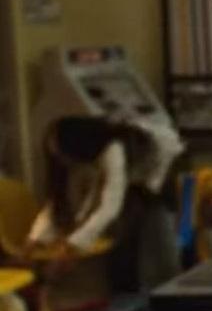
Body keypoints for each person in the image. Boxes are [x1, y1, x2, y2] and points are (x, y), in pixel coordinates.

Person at [27, 113, 183, 293]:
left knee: (155, 241)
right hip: (138, 178)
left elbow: (109, 206)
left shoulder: (114, 149)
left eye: (62, 154)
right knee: (124, 237)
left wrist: (72, 245)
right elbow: (71, 202)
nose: (62, 160)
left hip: (158, 179)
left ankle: (163, 293)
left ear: (76, 146)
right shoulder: (97, 155)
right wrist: (35, 238)